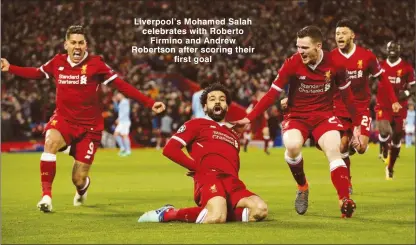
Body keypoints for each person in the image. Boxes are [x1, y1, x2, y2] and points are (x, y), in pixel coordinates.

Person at [0, 25, 166, 213]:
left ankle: (82, 188)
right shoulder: (57, 62)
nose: (77, 47)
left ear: (86, 45)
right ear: (66, 44)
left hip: (89, 128)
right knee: (50, 142)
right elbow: (37, 73)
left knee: (77, 179)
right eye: (73, 43)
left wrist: (149, 103)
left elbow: (121, 85)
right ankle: (46, 196)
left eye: (81, 43)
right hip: (64, 120)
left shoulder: (96, 64)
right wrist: (10, 68)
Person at [234, 26, 359, 218]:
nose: (300, 51)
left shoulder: (335, 63)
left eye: (305, 48)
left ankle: (344, 200)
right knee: (292, 147)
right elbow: (271, 95)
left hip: (324, 117)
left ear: (318, 46)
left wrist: (357, 125)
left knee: (334, 151)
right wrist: (249, 118)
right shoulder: (292, 63)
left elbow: (348, 96)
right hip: (297, 117)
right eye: (298, 47)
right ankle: (302, 186)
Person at [138, 83, 268, 223]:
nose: (217, 101)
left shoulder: (233, 134)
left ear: (227, 106)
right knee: (216, 217)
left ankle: (218, 211)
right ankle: (169, 213)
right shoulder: (196, 124)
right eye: (212, 99)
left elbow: (233, 164)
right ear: (205, 107)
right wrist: (197, 168)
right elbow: (170, 149)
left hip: (232, 182)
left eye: (222, 99)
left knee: (260, 209)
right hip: (209, 178)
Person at [331, 19, 401, 192]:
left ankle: (356, 146)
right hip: (339, 109)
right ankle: (347, 181)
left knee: (361, 148)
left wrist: (394, 100)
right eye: (337, 33)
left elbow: (383, 79)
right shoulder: (330, 57)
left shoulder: (367, 56)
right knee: (341, 146)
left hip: (361, 108)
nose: (340, 36)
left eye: (344, 33)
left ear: (352, 36)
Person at [374, 41, 415, 179]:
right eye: (390, 48)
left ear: (399, 50)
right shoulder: (380, 65)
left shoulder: (407, 68)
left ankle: (390, 167)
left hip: (399, 107)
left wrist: (407, 94)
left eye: (394, 48)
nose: (392, 50)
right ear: (386, 50)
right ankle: (384, 148)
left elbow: (413, 87)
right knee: (384, 129)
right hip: (383, 105)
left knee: (397, 136)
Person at [113, 92, 132, 157]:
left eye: (118, 95)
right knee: (116, 134)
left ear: (121, 95)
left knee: (124, 136)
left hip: (125, 121)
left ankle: (128, 150)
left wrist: (119, 118)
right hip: (122, 121)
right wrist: (115, 102)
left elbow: (126, 112)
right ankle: (123, 148)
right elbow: (117, 110)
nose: (117, 97)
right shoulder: (121, 102)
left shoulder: (125, 101)